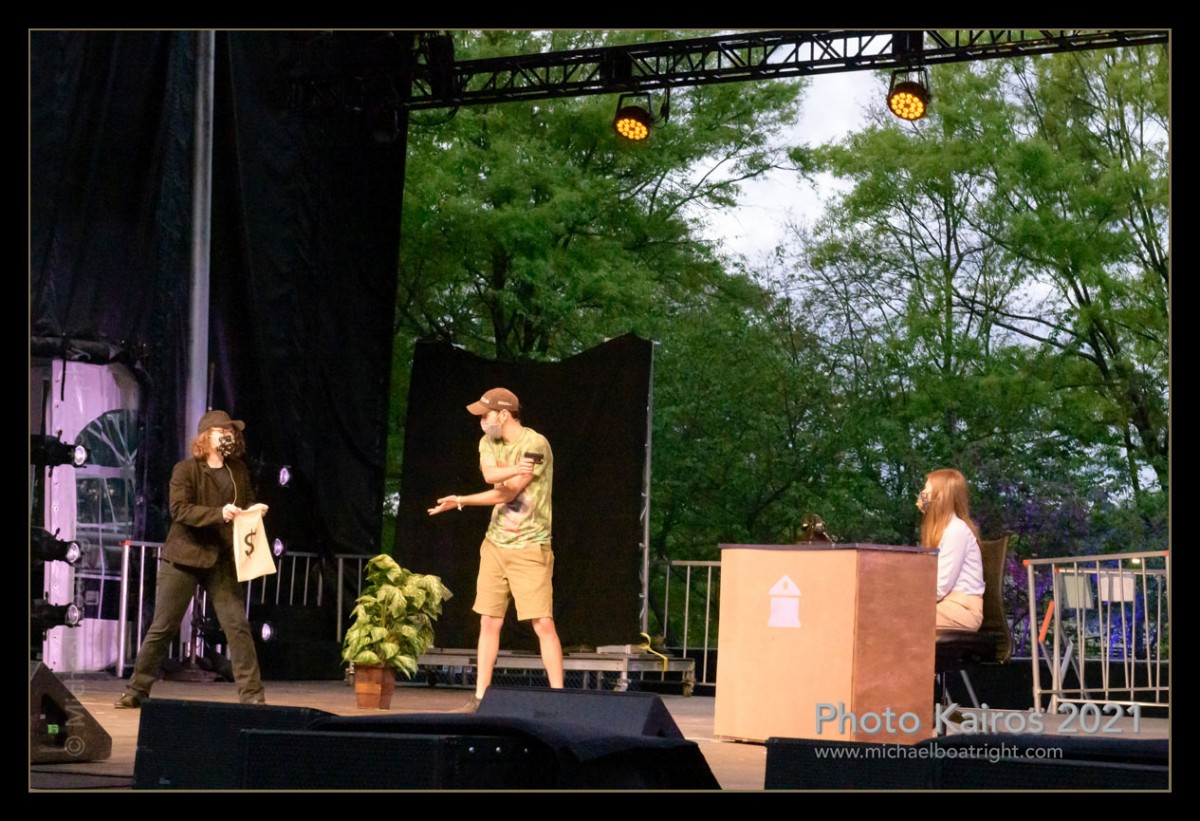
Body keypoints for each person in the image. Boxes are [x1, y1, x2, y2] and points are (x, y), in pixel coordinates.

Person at [114, 410, 269, 708]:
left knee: (237, 626)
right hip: (184, 557)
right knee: (163, 627)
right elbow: (180, 510)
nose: (229, 436)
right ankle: (137, 689)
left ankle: (252, 696)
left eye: (231, 432)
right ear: (206, 437)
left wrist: (253, 509)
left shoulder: (237, 470)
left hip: (220, 559)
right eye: (222, 432)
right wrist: (218, 513)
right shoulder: (186, 470)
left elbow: (245, 501)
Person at [428, 387, 564, 710]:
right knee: (489, 621)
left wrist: (465, 498)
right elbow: (491, 476)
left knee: (542, 623)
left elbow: (508, 492)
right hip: (495, 544)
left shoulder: (535, 444)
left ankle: (561, 699)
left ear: (504, 414)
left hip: (530, 545)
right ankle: (480, 698)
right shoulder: (487, 442)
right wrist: (461, 499)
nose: (481, 421)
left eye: (485, 415)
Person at [917, 468, 985, 632]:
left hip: (961, 609)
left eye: (927, 489)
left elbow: (940, 586)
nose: (922, 494)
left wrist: (910, 601)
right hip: (946, 605)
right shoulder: (943, 531)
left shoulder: (955, 530)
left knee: (899, 617)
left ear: (940, 495)